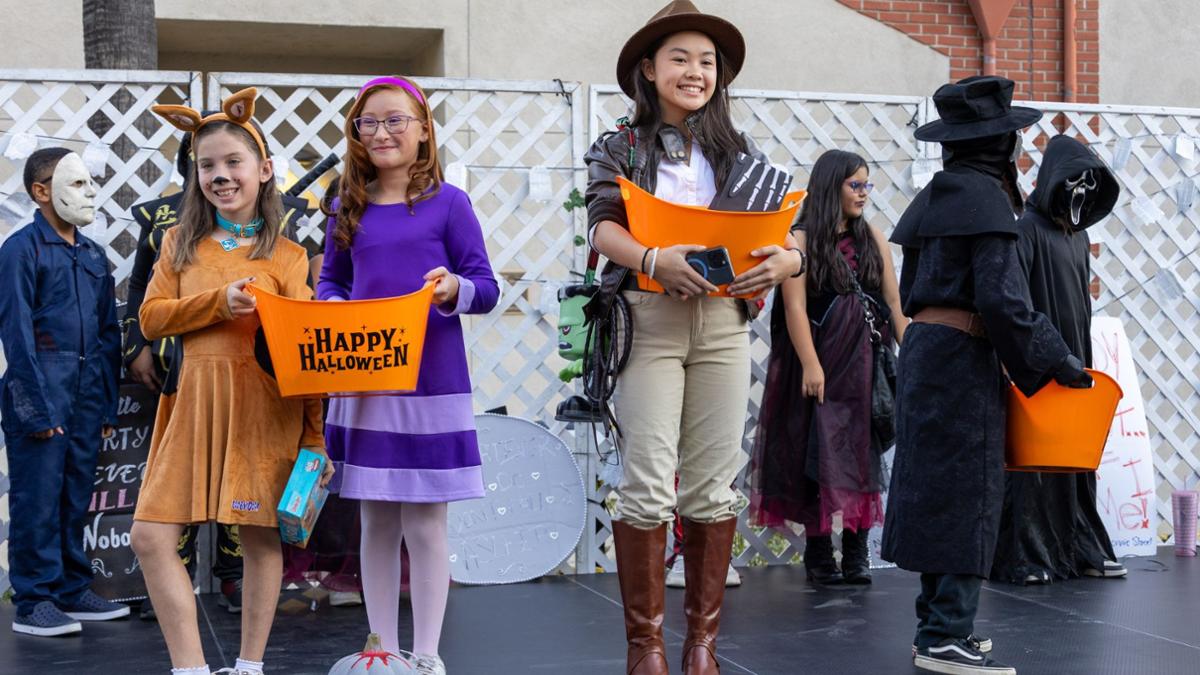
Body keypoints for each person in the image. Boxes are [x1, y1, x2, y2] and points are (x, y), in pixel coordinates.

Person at [585, 3, 804, 673]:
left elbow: (785, 233)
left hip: (724, 325)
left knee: (714, 485)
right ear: (648, 70)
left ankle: (702, 645)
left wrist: (789, 259)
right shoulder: (619, 143)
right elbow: (601, 228)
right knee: (648, 484)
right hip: (647, 318)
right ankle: (645, 648)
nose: (695, 71)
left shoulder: (738, 151)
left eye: (707, 62)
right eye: (680, 58)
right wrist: (653, 260)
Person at [882, 76, 1092, 675]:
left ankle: (937, 628)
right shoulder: (988, 202)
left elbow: (919, 291)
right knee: (968, 492)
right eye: (1014, 140)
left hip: (926, 351)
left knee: (936, 491)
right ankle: (946, 637)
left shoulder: (936, 196)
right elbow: (1004, 302)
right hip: (960, 361)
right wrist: (1059, 360)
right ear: (998, 145)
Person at [129, 88, 330, 675]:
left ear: (264, 170)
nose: (220, 175)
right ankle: (190, 668)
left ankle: (248, 667)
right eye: (207, 166)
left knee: (259, 537)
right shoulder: (179, 243)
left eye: (232, 163)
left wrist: (314, 437)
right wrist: (218, 302)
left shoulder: (290, 256)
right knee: (149, 536)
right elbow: (150, 316)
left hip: (263, 412)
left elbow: (310, 352)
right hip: (191, 405)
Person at [318, 75, 499, 675]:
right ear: (356, 135)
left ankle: (425, 654)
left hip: (430, 382)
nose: (382, 132)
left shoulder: (450, 203)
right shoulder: (349, 204)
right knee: (375, 517)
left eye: (396, 120)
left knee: (425, 520)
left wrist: (453, 288)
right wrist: (336, 308)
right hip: (365, 382)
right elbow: (331, 282)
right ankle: (381, 648)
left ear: (424, 130)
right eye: (368, 123)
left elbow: (486, 286)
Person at [748, 149, 906, 586]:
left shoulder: (872, 236)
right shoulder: (798, 240)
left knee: (862, 456)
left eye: (866, 185)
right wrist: (811, 366)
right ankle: (819, 556)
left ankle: (856, 554)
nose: (863, 193)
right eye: (855, 185)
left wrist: (908, 350)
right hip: (822, 367)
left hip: (865, 368)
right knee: (815, 456)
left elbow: (894, 303)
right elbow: (794, 309)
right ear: (830, 185)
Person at [1, 148, 127, 637]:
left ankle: (73, 587)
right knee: (37, 499)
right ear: (40, 191)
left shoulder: (92, 255)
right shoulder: (20, 250)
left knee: (76, 496)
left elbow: (107, 334)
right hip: (43, 389)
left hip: (85, 394)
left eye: (90, 182)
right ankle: (35, 601)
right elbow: (16, 333)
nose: (89, 192)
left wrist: (104, 402)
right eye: (75, 184)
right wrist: (35, 407)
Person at [991, 134, 1125, 585]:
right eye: (1075, 182)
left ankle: (1080, 547)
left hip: (1076, 357)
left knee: (1074, 458)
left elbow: (1080, 302)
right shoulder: (1025, 230)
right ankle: (1026, 556)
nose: (1081, 193)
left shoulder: (1078, 238)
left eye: (1090, 185)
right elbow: (1018, 302)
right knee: (1034, 462)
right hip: (1038, 365)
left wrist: (1078, 358)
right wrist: (1041, 356)